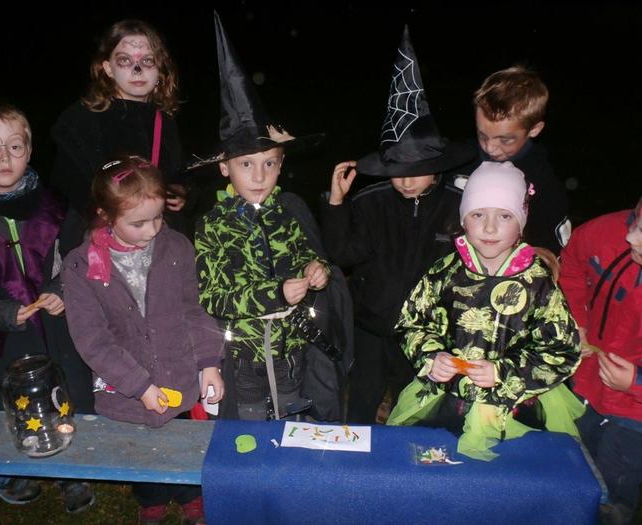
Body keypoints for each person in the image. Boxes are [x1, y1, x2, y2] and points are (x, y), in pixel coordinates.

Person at [0, 98, 95, 512]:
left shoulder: (56, 207)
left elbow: (82, 257)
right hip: (4, 335)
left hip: (60, 329)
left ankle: (72, 472)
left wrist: (62, 289)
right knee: (16, 402)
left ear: (29, 149)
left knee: (71, 392)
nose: (5, 157)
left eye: (15, 146)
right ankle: (19, 467)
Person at [321, 26, 475, 424]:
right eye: (397, 171)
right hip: (372, 327)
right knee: (361, 404)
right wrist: (336, 204)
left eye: (415, 170)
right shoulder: (371, 202)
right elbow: (342, 254)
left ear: (436, 167)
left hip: (427, 334)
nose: (405, 180)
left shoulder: (458, 206)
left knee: (416, 408)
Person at [61, 155, 223, 525]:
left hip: (179, 378)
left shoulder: (176, 247)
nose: (152, 230)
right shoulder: (80, 266)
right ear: (105, 215)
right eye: (138, 223)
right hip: (125, 389)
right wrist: (139, 385)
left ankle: (191, 496)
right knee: (140, 449)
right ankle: (150, 500)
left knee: (184, 442)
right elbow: (92, 339)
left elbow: (194, 309)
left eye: (158, 217)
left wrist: (208, 362)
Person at [193, 13, 339, 422]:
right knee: (253, 427)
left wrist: (316, 269)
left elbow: (307, 254)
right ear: (224, 167)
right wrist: (275, 293)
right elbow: (213, 297)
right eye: (246, 164)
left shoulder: (286, 212)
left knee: (291, 417)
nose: (259, 176)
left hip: (293, 348)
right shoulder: (213, 226)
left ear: (281, 163)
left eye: (269, 164)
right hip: (246, 358)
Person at [387, 161, 582, 461]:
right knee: (438, 471)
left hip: (515, 410)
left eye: (505, 215)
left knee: (509, 479)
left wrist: (504, 372)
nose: (490, 228)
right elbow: (413, 322)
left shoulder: (538, 283)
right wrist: (431, 356)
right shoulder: (445, 272)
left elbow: (562, 349)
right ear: (464, 220)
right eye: (478, 214)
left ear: (521, 222)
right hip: (447, 401)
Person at [51, 19, 191, 248]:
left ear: (160, 68)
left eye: (147, 60)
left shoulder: (164, 121)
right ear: (108, 68)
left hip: (155, 239)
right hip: (100, 244)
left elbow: (176, 175)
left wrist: (179, 191)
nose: (138, 70)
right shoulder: (80, 122)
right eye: (125, 60)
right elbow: (69, 190)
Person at [559, 197, 642, 524]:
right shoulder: (605, 231)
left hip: (635, 415)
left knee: (612, 496)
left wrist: (635, 382)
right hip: (586, 384)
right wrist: (577, 321)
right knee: (572, 470)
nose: (631, 237)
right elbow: (572, 264)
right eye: (636, 221)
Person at [460, 66, 569, 253]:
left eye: (505, 140)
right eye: (482, 135)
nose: (490, 147)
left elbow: (549, 250)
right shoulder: (460, 163)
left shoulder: (544, 185)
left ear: (534, 129)